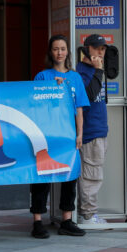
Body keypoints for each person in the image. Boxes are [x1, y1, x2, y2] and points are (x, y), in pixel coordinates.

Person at [30, 35, 89, 238]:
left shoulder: (75, 78)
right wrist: (54, 89)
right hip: (46, 135)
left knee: (69, 177)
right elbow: (35, 106)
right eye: (55, 49)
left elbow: (79, 109)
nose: (59, 52)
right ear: (50, 52)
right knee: (41, 178)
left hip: (68, 135)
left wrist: (80, 134)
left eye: (63, 49)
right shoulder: (42, 77)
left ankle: (66, 219)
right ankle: (37, 221)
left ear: (68, 52)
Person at [76, 33, 110, 224]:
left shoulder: (96, 70)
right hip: (90, 131)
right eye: (97, 48)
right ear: (87, 49)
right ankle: (88, 215)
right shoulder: (82, 72)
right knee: (92, 175)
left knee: (94, 171)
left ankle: (87, 213)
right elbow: (88, 96)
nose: (100, 52)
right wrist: (98, 71)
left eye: (103, 49)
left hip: (99, 129)